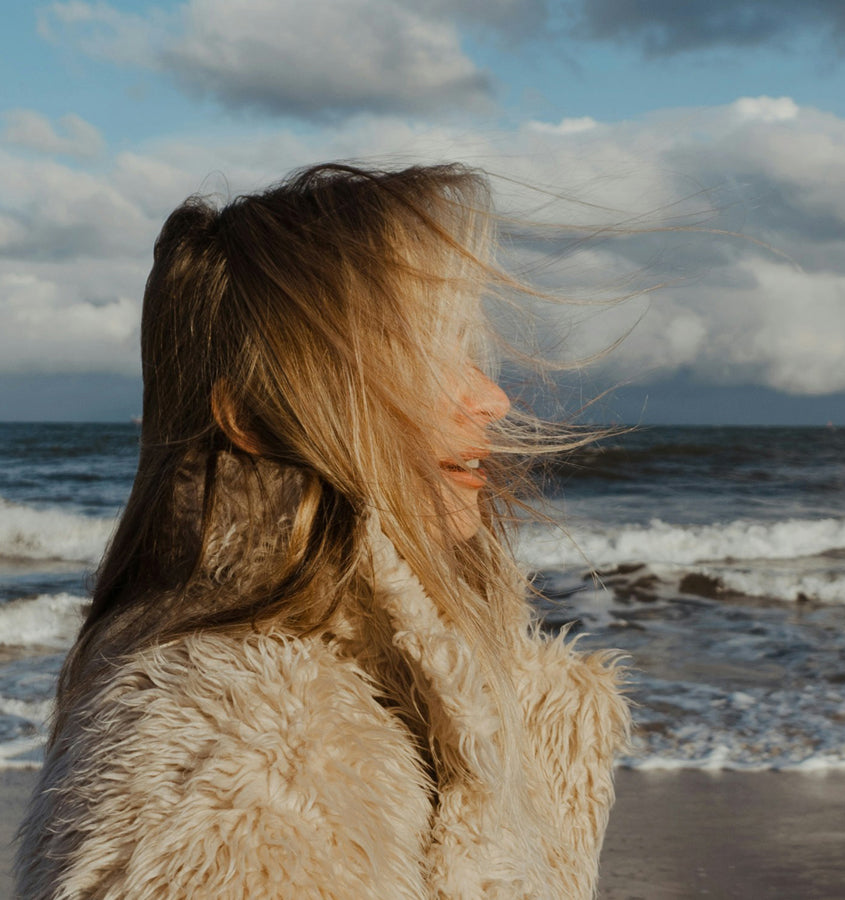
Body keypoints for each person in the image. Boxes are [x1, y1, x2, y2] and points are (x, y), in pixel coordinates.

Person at [15, 163, 631, 899]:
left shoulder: (507, 703)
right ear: (249, 418)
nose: (492, 398)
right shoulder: (234, 755)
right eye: (423, 356)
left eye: (470, 354)